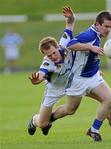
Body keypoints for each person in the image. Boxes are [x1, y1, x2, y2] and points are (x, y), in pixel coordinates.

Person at [61, 10, 111, 141]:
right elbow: (70, 45)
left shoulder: (97, 35)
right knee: (70, 110)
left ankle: (100, 130)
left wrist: (96, 69)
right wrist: (90, 47)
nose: (108, 30)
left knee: (109, 100)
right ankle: (46, 119)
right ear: (97, 24)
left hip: (92, 76)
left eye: (110, 27)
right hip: (78, 80)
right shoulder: (89, 35)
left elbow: (88, 58)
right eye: (106, 26)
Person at [27, 6, 76, 136]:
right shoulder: (47, 63)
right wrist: (35, 80)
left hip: (71, 83)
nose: (53, 56)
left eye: (54, 53)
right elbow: (40, 75)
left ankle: (51, 119)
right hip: (54, 88)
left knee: (71, 110)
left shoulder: (64, 44)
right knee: (42, 123)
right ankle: (34, 120)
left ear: (58, 46)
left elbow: (70, 24)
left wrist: (70, 16)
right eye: (49, 55)